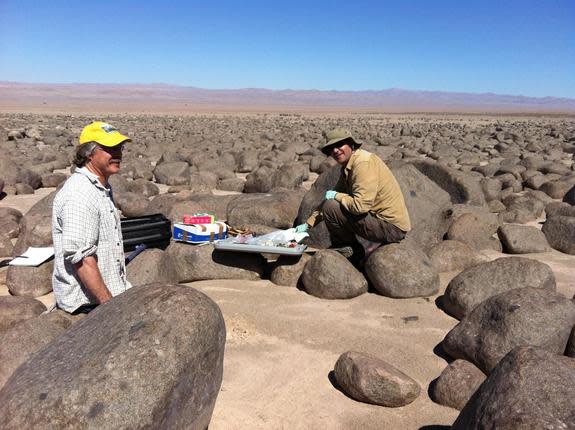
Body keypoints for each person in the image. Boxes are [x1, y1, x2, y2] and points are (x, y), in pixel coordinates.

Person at [295, 128, 411, 262]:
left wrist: (337, 196)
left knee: (331, 206)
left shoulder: (362, 164)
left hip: (391, 227)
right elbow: (329, 198)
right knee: (330, 204)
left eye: (339, 145)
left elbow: (359, 207)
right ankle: (352, 249)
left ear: (351, 144)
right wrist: (307, 225)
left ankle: (350, 249)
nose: (335, 151)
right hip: (381, 221)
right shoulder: (348, 166)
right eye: (331, 148)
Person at [52, 121, 132, 314]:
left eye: (119, 147)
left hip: (106, 296)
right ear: (88, 153)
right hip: (88, 304)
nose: (118, 154)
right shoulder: (79, 194)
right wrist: (110, 308)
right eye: (109, 148)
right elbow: (81, 259)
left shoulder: (100, 186)